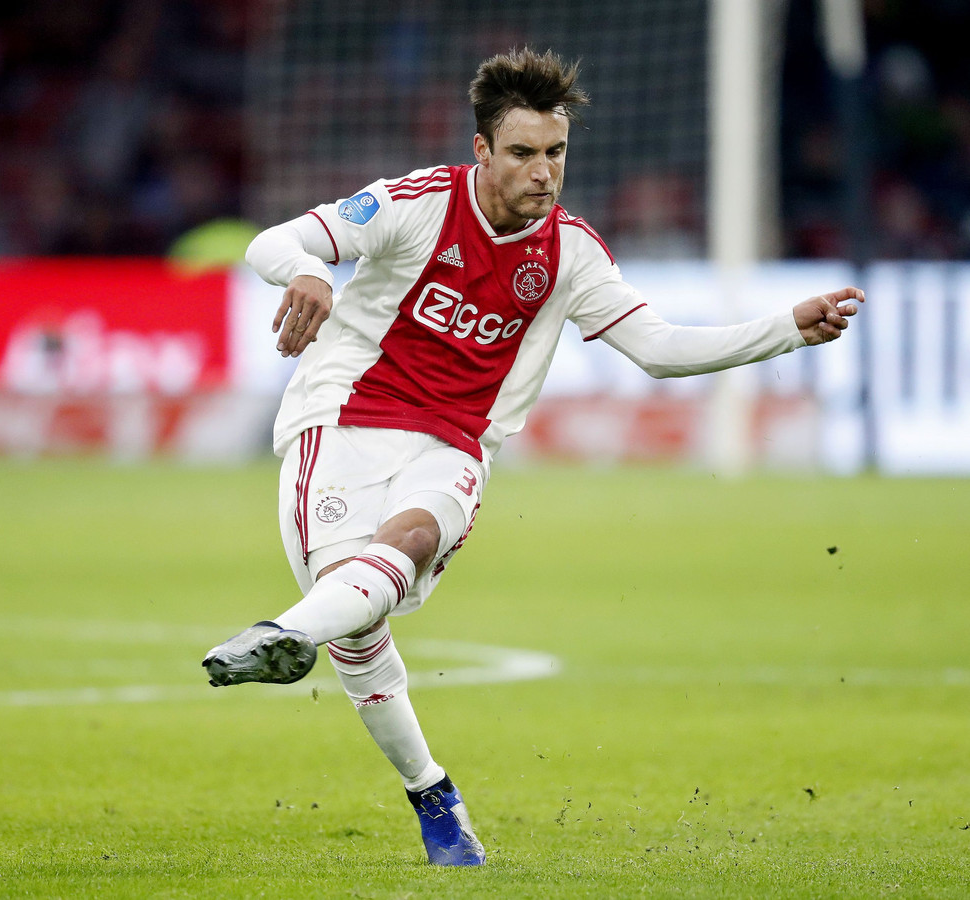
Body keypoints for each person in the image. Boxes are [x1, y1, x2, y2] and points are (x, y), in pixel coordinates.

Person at [202, 47, 863, 867]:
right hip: (343, 420)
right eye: (522, 152)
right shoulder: (415, 203)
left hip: (453, 443)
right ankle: (431, 791)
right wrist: (309, 273)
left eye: (555, 152)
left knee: (413, 540)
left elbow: (658, 349)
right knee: (358, 631)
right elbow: (273, 242)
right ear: (482, 150)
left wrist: (785, 329)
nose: (543, 172)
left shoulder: (572, 252)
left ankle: (278, 635)